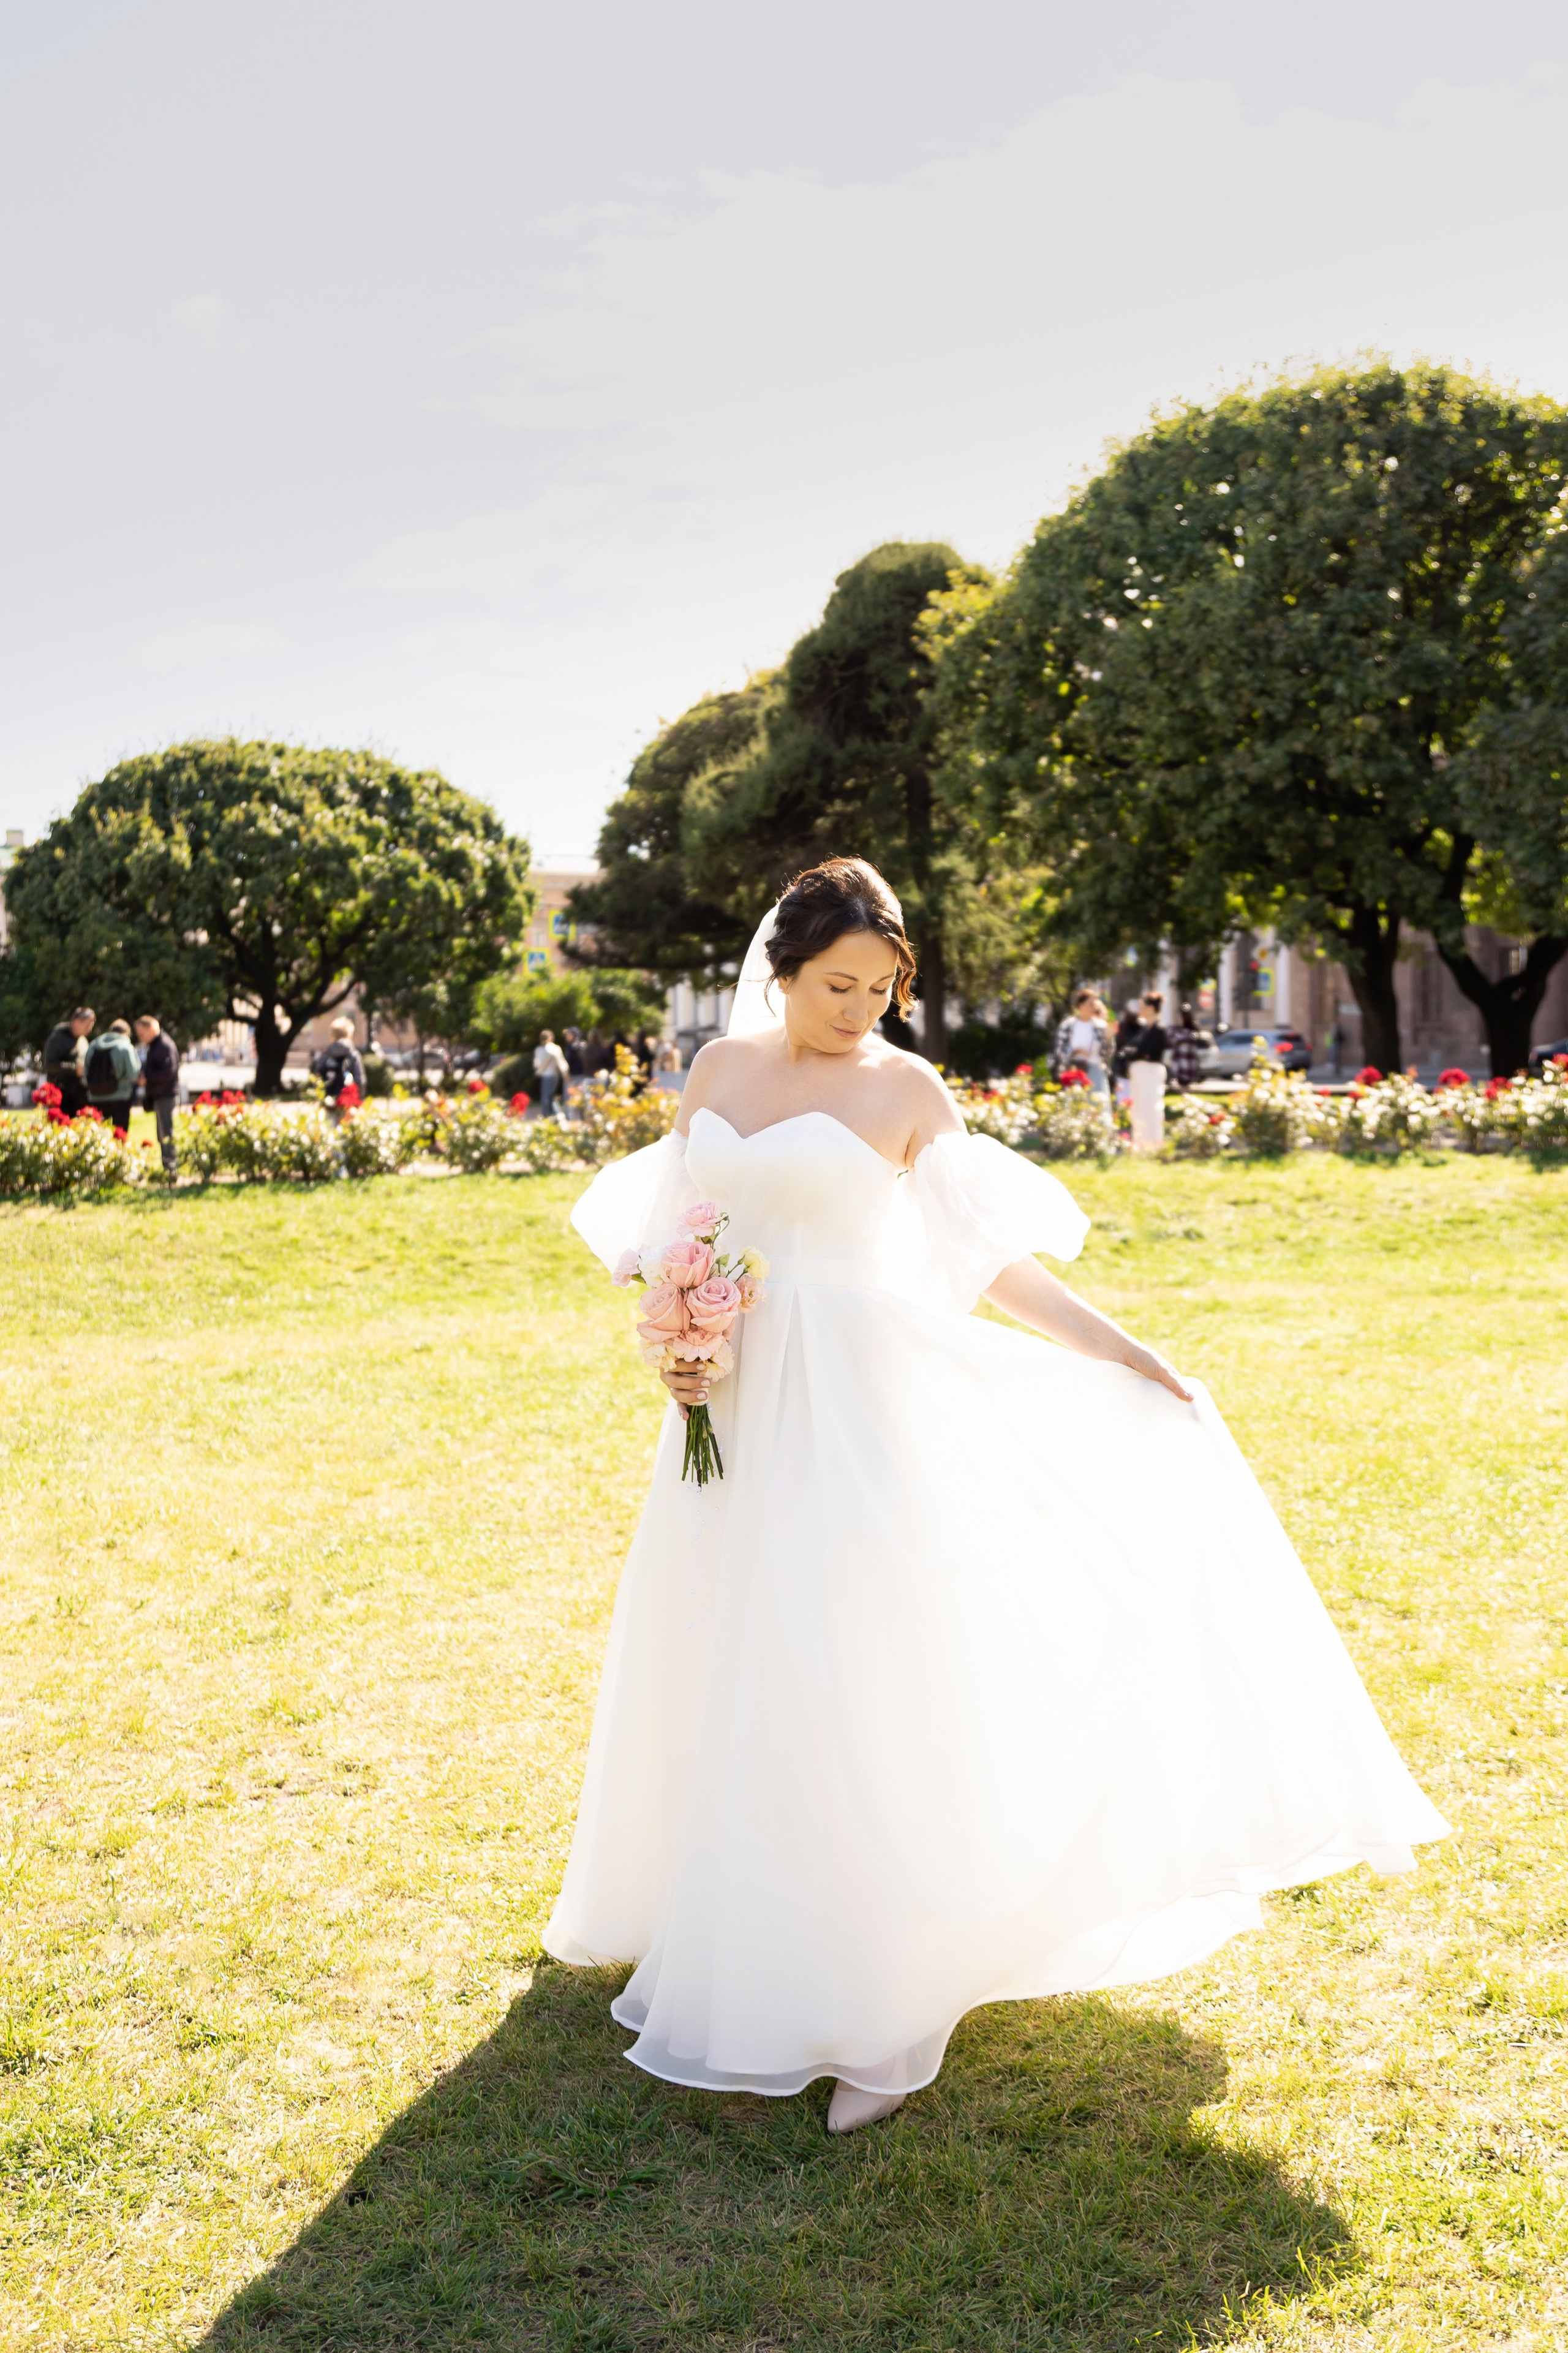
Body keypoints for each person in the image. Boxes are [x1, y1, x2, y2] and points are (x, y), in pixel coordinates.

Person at [548, 856, 1447, 2137]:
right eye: (835, 985)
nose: (859, 1008)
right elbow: (681, 1225)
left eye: (881, 987)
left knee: (848, 1671)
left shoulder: (906, 1090)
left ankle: (882, 2005)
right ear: (783, 972)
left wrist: (1128, 1354)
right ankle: (723, 1926)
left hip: (858, 1408)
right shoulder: (717, 1074)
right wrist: (675, 1319)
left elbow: (987, 1267)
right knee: (724, 1652)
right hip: (730, 1405)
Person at [134, 1016, 179, 1173]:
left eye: (142, 1034)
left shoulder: (164, 1045)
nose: (141, 1038)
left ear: (152, 1028)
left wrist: (147, 1078)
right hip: (160, 1094)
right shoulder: (156, 1045)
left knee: (166, 1132)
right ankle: (168, 1166)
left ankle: (171, 1167)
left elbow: (169, 1072)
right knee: (162, 1133)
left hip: (165, 1094)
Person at [1052, 988, 1112, 1098]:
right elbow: (1058, 1051)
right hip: (1074, 1072)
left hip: (1096, 1072)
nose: (1094, 1008)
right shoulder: (1067, 1026)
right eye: (1091, 1004)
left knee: (1097, 1107)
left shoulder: (1101, 1026)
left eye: (1095, 1005)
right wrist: (1075, 1052)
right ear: (1081, 1005)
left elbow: (1108, 1054)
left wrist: (1108, 1040)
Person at [86, 1018, 140, 1133]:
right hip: (121, 1097)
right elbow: (133, 1075)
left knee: (98, 1134)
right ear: (126, 1033)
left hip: (95, 1096)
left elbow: (86, 1073)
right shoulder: (126, 1047)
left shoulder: (93, 1046)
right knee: (120, 1134)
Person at [42, 1007, 94, 1117]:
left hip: (80, 1095)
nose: (90, 1029)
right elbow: (49, 1064)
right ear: (76, 1022)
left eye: (91, 1026)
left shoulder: (83, 1040)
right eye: (87, 1025)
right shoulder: (57, 1038)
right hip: (62, 1095)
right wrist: (75, 1069)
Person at [313, 1016, 366, 1111]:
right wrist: (359, 1101)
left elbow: (317, 1077)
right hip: (349, 1101)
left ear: (332, 1036)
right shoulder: (353, 1054)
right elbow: (360, 1080)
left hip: (329, 1101)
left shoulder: (326, 1054)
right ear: (349, 1035)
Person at [534, 1028, 570, 1119]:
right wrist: (565, 1074)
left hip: (545, 1076)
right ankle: (555, 1115)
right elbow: (561, 1063)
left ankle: (549, 1116)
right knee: (550, 1097)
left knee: (546, 1097)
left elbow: (537, 1065)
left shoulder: (539, 1050)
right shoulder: (555, 1048)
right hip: (554, 1075)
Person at [1169, 1002, 1203, 1091]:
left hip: (1188, 1061)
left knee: (1186, 1084)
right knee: (1182, 1084)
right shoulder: (1177, 1030)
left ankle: (1186, 1100)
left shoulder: (1191, 1031)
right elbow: (1171, 1040)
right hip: (1180, 1061)